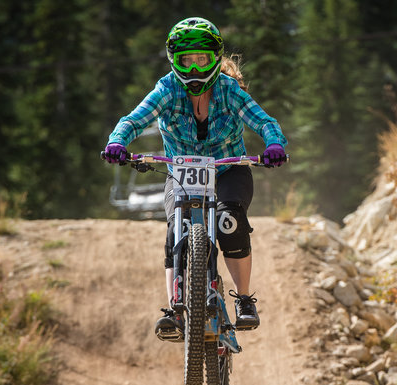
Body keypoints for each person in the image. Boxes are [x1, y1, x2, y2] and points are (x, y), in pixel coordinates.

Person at [102, 17, 287, 341]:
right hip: (180, 172)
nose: (195, 67)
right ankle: (175, 307)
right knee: (176, 227)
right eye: (187, 60)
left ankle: (244, 300)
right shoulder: (166, 90)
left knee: (230, 221)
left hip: (229, 169)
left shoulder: (229, 91)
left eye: (202, 58)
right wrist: (117, 141)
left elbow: (264, 121)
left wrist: (274, 144)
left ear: (215, 58)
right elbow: (133, 120)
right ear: (175, 59)